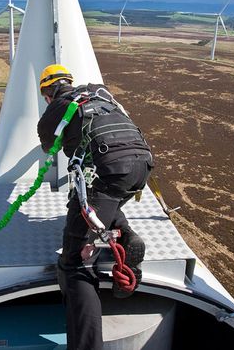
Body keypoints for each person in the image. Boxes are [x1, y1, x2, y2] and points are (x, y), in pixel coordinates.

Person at [36, 63, 153, 350]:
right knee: (99, 202)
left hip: (109, 169)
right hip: (142, 164)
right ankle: (124, 233)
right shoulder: (100, 95)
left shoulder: (56, 109)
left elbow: (48, 145)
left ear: (48, 94)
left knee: (75, 264)